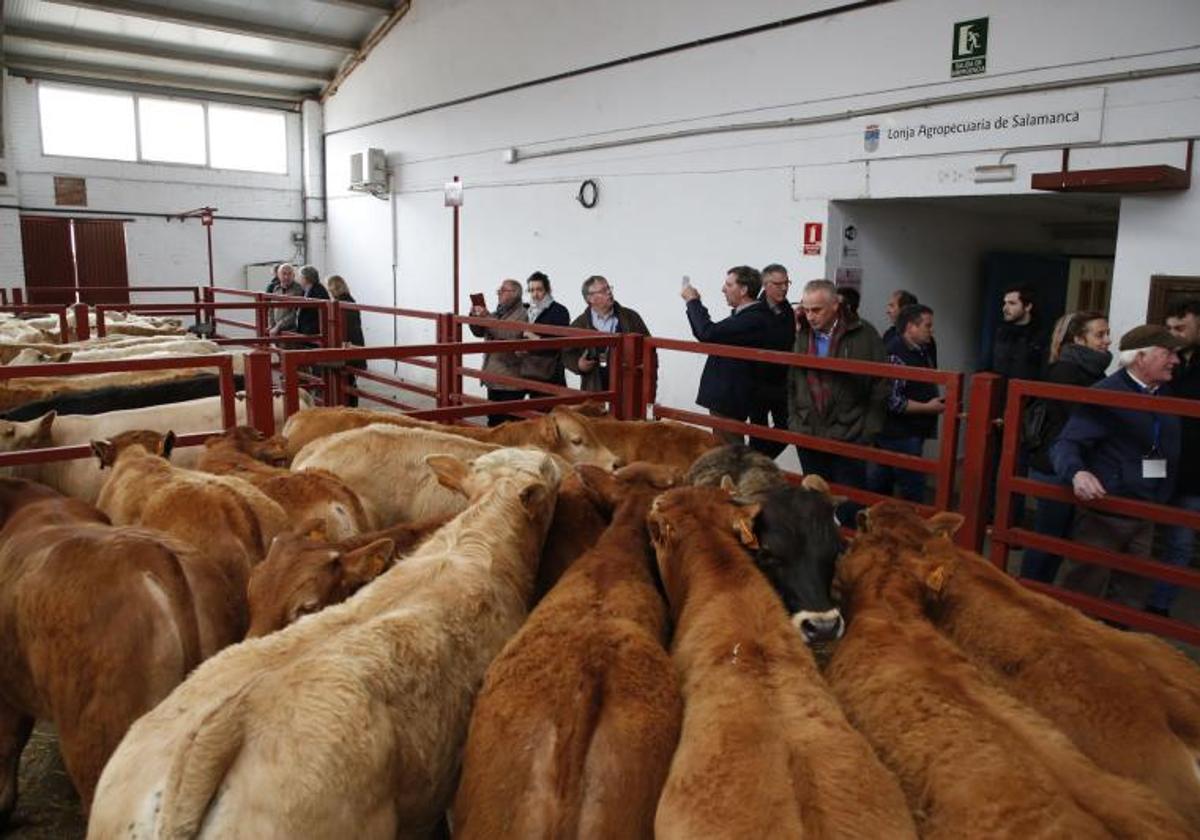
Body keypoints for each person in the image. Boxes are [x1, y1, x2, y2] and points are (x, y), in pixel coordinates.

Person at [1051, 325, 1184, 607]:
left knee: (1132, 592)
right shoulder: (1106, 394)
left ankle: (1115, 644)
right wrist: (1078, 472)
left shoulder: (1165, 393)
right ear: (1141, 358)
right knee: (1084, 587)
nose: (1176, 360)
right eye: (1167, 353)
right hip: (1107, 512)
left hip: (1145, 511)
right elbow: (1066, 444)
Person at [1021, 311, 1112, 583]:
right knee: (1048, 539)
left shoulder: (1094, 370)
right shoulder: (1065, 370)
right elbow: (1080, 418)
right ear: (1079, 338)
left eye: (1107, 334)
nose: (1108, 340)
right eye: (1100, 334)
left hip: (1072, 465)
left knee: (1058, 538)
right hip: (1053, 466)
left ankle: (1040, 595)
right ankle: (1028, 595)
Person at [788, 278, 888, 522]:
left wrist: (869, 429)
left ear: (835, 305)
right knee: (813, 500)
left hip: (850, 433)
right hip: (808, 430)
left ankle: (851, 552)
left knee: (849, 503)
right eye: (806, 309)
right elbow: (793, 380)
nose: (810, 316)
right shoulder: (803, 335)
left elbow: (882, 382)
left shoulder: (864, 333)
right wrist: (794, 421)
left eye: (816, 310)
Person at [682, 266, 773, 445]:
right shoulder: (746, 315)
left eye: (729, 284)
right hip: (727, 395)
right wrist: (694, 305)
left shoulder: (752, 318)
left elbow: (707, 333)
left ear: (744, 289)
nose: (723, 289)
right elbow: (709, 334)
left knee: (729, 451)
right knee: (724, 447)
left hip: (730, 397)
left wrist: (693, 302)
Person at [867, 303, 944, 502]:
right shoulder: (895, 354)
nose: (931, 330)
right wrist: (928, 408)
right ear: (911, 327)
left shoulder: (924, 349)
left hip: (910, 431)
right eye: (927, 325)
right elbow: (894, 401)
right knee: (911, 488)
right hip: (898, 433)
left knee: (882, 482)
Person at [1152, 299, 1200, 616]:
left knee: (1180, 539)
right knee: (1140, 529)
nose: (1173, 334)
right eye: (1169, 328)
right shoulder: (1167, 361)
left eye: (1180, 327)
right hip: (1160, 462)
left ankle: (1159, 604)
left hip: (1195, 469)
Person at [562, 275, 651, 393]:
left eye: (609, 288)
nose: (609, 292)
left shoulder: (631, 317)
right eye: (603, 290)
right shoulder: (579, 324)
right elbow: (566, 354)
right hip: (595, 387)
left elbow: (649, 348)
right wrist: (578, 365)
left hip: (627, 388)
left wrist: (645, 374)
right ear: (590, 298)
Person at [748, 263, 797, 458]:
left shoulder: (787, 310)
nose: (784, 288)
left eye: (787, 283)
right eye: (779, 284)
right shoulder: (755, 311)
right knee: (758, 434)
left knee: (786, 428)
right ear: (766, 285)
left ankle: (759, 463)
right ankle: (755, 468)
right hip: (757, 382)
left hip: (781, 382)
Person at [469, 278, 528, 426]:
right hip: (493, 376)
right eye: (498, 290)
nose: (499, 293)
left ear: (515, 293)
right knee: (494, 419)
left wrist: (486, 318)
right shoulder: (497, 313)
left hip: (511, 379)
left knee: (510, 421)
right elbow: (480, 332)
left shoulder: (523, 313)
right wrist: (474, 318)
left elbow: (509, 334)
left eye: (503, 290)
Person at [519, 271, 570, 396]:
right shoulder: (527, 309)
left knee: (550, 409)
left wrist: (534, 337)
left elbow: (561, 343)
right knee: (534, 409)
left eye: (539, 289)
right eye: (531, 290)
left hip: (550, 372)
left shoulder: (559, 311)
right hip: (530, 369)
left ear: (548, 290)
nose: (535, 294)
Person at [991, 285, 1046, 381]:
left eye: (1012, 303)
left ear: (1028, 306)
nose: (1005, 308)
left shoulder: (1040, 337)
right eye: (1005, 303)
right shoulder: (1000, 333)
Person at [327, 274, 367, 407]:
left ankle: (350, 407)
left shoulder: (343, 303)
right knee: (349, 381)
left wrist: (345, 344)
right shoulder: (347, 301)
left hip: (349, 345)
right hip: (352, 344)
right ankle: (350, 407)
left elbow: (348, 328)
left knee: (348, 381)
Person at [267, 262, 304, 337]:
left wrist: (278, 326)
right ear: (278, 275)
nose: (287, 277)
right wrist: (272, 324)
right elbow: (271, 308)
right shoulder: (276, 289)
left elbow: (295, 312)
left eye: (289, 274)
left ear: (293, 275)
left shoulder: (299, 289)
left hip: (291, 330)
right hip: (277, 330)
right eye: (284, 274)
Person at [296, 264, 330, 343]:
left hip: (314, 331)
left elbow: (316, 312)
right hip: (306, 330)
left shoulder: (318, 290)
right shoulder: (305, 290)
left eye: (300, 277)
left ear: (306, 278)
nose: (299, 280)